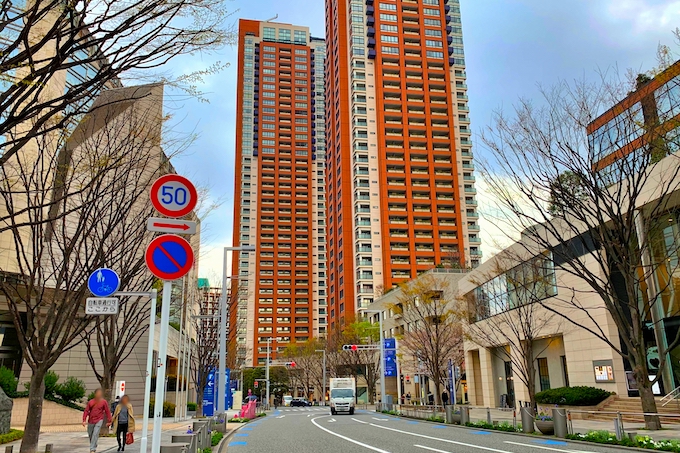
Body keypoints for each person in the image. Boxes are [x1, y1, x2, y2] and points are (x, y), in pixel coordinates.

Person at [83, 389, 112, 453]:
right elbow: (86, 411)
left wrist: (109, 420)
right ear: (95, 394)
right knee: (90, 434)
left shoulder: (104, 402)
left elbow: (107, 411)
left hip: (99, 420)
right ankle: (93, 445)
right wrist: (84, 420)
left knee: (95, 434)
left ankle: (92, 449)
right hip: (91, 420)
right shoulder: (91, 402)